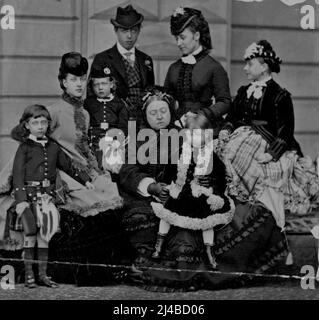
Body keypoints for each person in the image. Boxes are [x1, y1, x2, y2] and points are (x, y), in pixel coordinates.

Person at [46, 52, 129, 285]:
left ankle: (115, 267)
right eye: (74, 79)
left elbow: (84, 149)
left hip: (83, 172)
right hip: (62, 173)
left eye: (82, 78)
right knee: (92, 201)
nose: (80, 84)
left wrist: (96, 171)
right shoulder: (52, 111)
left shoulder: (84, 112)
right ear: (63, 82)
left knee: (109, 191)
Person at [219, 40, 319, 226]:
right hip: (241, 140)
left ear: (264, 66)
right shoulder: (243, 92)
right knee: (223, 152)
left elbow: (285, 132)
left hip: (269, 144)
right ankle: (235, 214)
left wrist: (271, 154)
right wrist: (226, 130)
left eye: (250, 64)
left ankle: (262, 221)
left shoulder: (280, 95)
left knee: (253, 166)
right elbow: (232, 117)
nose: (245, 68)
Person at [8, 104, 94, 288]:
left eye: (44, 122)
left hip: (47, 198)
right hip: (29, 198)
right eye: (35, 122)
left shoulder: (53, 147)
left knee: (45, 236)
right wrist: (21, 201)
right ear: (27, 126)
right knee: (30, 234)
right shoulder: (24, 148)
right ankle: (30, 275)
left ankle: (43, 275)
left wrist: (85, 180)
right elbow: (17, 175)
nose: (40, 126)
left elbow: (69, 165)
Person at [150, 111, 235, 269]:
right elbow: (169, 171)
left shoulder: (211, 157)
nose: (193, 138)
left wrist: (213, 189)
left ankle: (210, 252)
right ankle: (158, 246)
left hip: (201, 194)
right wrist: (169, 184)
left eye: (197, 135)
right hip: (181, 192)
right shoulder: (181, 153)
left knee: (207, 221)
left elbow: (220, 178)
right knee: (166, 214)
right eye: (190, 134)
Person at [164, 6, 231, 135]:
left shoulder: (214, 67)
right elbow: (168, 99)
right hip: (178, 126)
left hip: (205, 126)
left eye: (182, 37)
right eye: (176, 38)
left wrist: (202, 114)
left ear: (196, 35)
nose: (178, 43)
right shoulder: (173, 68)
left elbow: (225, 102)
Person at [89, 4, 155, 127]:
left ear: (139, 31)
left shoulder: (146, 60)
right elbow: (92, 97)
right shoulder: (102, 59)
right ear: (115, 30)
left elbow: (150, 93)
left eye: (134, 30)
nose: (129, 36)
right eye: (124, 31)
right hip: (114, 122)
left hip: (143, 123)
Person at [84, 64, 129, 170]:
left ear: (112, 84)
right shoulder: (88, 103)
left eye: (104, 83)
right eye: (96, 84)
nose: (100, 88)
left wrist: (117, 141)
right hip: (93, 143)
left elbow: (123, 127)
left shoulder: (119, 104)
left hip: (114, 143)